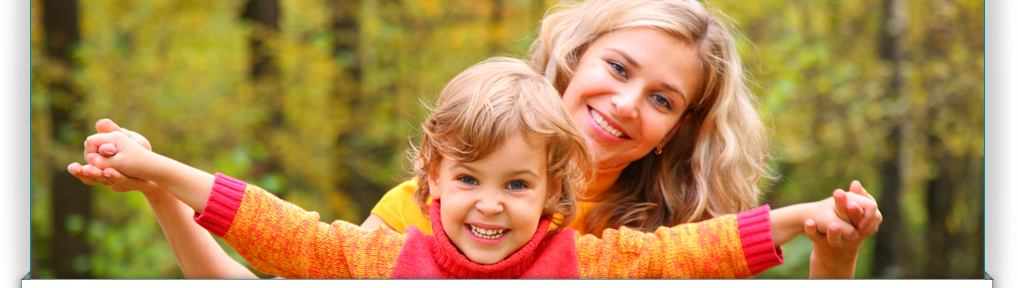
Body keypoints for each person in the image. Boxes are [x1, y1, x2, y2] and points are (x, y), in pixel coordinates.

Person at [75, 58, 876, 279]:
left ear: (553, 193)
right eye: (469, 182)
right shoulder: (387, 255)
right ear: (431, 184)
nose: (490, 208)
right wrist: (159, 172)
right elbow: (277, 231)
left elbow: (692, 254)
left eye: (518, 187)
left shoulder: (589, 262)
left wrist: (808, 219)